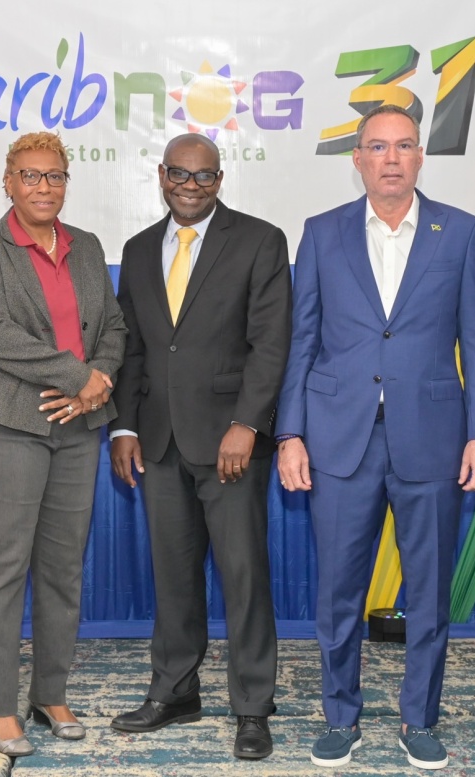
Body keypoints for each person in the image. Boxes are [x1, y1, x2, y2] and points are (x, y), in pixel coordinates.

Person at [277, 105, 475, 770]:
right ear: (358, 159)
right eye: (378, 146)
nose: (392, 158)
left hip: (432, 438)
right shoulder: (322, 233)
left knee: (428, 591)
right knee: (338, 592)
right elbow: (302, 341)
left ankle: (419, 719)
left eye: (404, 145)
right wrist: (290, 431)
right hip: (338, 438)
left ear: (421, 156)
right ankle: (340, 717)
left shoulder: (460, 231)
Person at [110, 133, 292, 760]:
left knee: (244, 577)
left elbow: (271, 342)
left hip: (230, 443)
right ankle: (175, 691)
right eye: (180, 175)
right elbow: (133, 349)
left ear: (220, 179)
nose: (191, 186)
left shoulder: (260, 240)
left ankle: (253, 707)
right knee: (173, 577)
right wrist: (124, 427)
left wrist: (248, 423)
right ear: (162, 176)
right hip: (158, 441)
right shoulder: (138, 250)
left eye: (204, 176)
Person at [0, 131, 126, 757]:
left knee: (62, 569)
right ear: (8, 182)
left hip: (78, 426)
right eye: (30, 175)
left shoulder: (87, 247)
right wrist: (78, 377)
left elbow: (113, 326)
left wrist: (97, 381)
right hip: (7, 423)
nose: (43, 186)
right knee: (2, 569)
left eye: (54, 175)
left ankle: (50, 693)